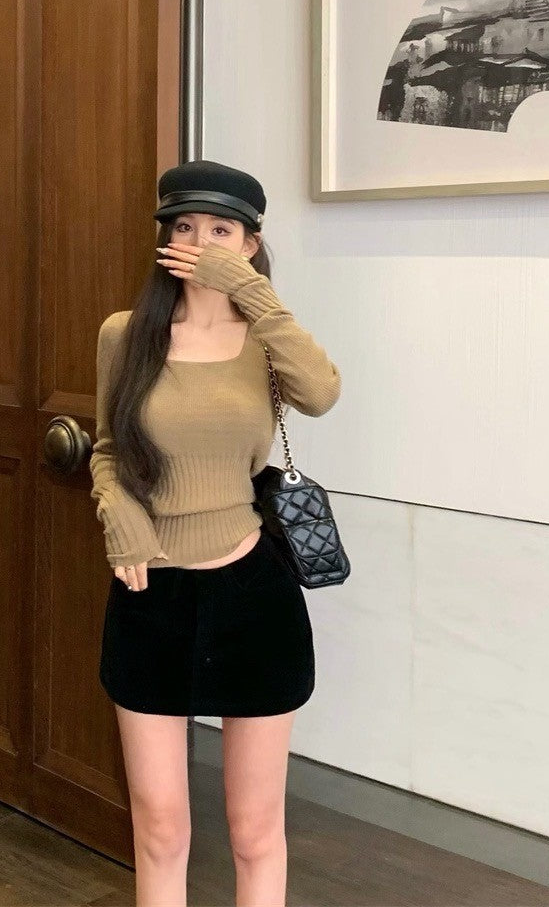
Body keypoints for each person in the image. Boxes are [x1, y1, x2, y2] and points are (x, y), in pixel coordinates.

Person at [90, 159, 342, 907]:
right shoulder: (125, 335)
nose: (199, 243)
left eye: (221, 231)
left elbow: (322, 393)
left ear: (251, 243)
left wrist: (251, 293)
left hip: (251, 595)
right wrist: (120, 514)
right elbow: (108, 449)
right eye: (184, 227)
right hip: (149, 596)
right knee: (160, 830)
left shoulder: (265, 339)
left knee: (255, 832)